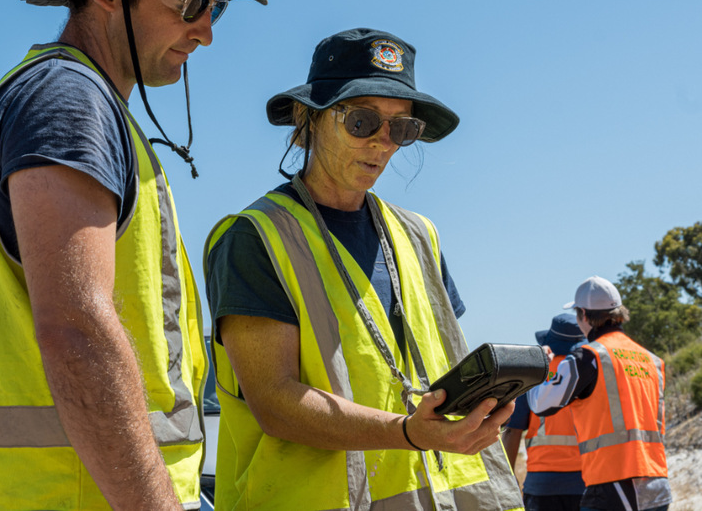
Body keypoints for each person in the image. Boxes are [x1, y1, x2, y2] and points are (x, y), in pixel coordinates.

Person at [0, 0, 266, 510]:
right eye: (193, 2)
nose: (206, 33)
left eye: (217, 10)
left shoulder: (78, 101)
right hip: (80, 495)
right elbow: (75, 329)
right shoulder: (68, 99)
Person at [204, 28, 524, 510]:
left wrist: (480, 403)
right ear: (307, 118)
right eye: (362, 121)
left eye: (402, 129)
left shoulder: (419, 235)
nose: (383, 142)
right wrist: (408, 434)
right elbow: (274, 402)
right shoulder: (255, 237)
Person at [527, 276, 670, 511]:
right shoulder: (651, 360)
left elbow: (541, 404)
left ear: (583, 314)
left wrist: (539, 368)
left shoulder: (588, 357)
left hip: (613, 482)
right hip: (657, 481)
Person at [502, 314, 586, 511]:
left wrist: (507, 477)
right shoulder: (589, 370)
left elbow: (513, 431)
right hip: (586, 480)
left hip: (542, 483)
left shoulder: (536, 373)